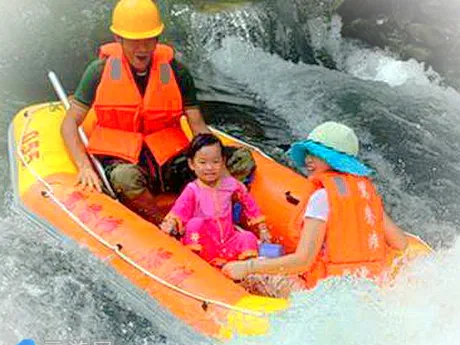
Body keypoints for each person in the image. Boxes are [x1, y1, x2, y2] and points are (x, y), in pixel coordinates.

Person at [61, 0, 254, 223]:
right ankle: (161, 223)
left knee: (241, 159)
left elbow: (198, 126)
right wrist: (85, 167)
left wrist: (220, 169)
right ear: (118, 39)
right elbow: (69, 124)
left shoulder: (177, 72)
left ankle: (205, 209)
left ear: (157, 38)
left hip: (170, 160)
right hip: (126, 161)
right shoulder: (98, 71)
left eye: (149, 40)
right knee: (125, 178)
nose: (142, 49)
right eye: (135, 41)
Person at [222, 121, 408, 289]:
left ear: (333, 159)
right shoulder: (365, 193)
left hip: (326, 291)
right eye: (308, 153)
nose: (308, 160)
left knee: (249, 273)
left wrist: (247, 267)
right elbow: (400, 242)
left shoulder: (322, 198)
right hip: (370, 285)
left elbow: (302, 261)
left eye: (316, 154)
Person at [160, 134, 271, 268]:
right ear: (192, 164)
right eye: (203, 162)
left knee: (248, 237)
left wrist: (262, 229)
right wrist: (170, 223)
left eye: (215, 162)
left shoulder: (231, 185)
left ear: (223, 161)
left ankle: (246, 272)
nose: (209, 168)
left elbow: (249, 204)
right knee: (195, 223)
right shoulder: (193, 189)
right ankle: (196, 265)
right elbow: (179, 211)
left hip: (228, 241)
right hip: (204, 243)